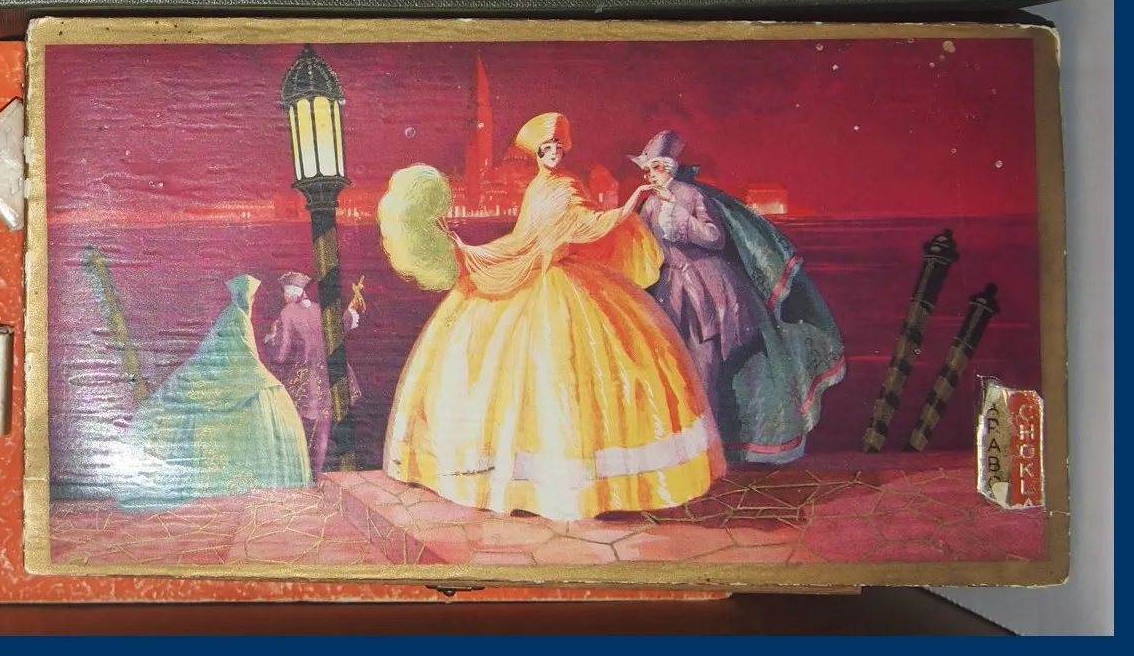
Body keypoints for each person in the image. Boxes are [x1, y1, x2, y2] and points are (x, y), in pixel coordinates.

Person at [381, 113, 724, 521]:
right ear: (538, 155)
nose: (552, 154)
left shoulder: (568, 186)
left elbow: (592, 224)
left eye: (557, 148)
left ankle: (590, 484)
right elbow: (523, 240)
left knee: (582, 374)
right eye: (546, 149)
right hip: (535, 276)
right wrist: (474, 251)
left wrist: (632, 200)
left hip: (571, 282)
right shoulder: (537, 189)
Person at [632, 130, 845, 465]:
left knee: (706, 366)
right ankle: (687, 449)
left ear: (668, 167)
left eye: (654, 168)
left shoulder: (691, 195)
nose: (649, 176)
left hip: (706, 288)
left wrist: (682, 220)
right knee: (678, 366)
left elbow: (714, 238)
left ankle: (710, 451)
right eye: (646, 170)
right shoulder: (650, 204)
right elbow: (644, 243)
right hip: (670, 289)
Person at [114, 274, 313, 509]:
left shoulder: (231, 315)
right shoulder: (236, 316)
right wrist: (260, 377)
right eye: (250, 298)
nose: (251, 303)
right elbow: (242, 354)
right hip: (235, 372)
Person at [260, 270, 334, 474]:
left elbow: (280, 356)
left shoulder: (287, 312)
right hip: (330, 374)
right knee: (323, 428)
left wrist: (270, 340)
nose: (284, 297)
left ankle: (299, 475)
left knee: (296, 426)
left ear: (292, 293)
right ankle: (318, 476)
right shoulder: (320, 309)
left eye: (285, 293)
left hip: (306, 377)